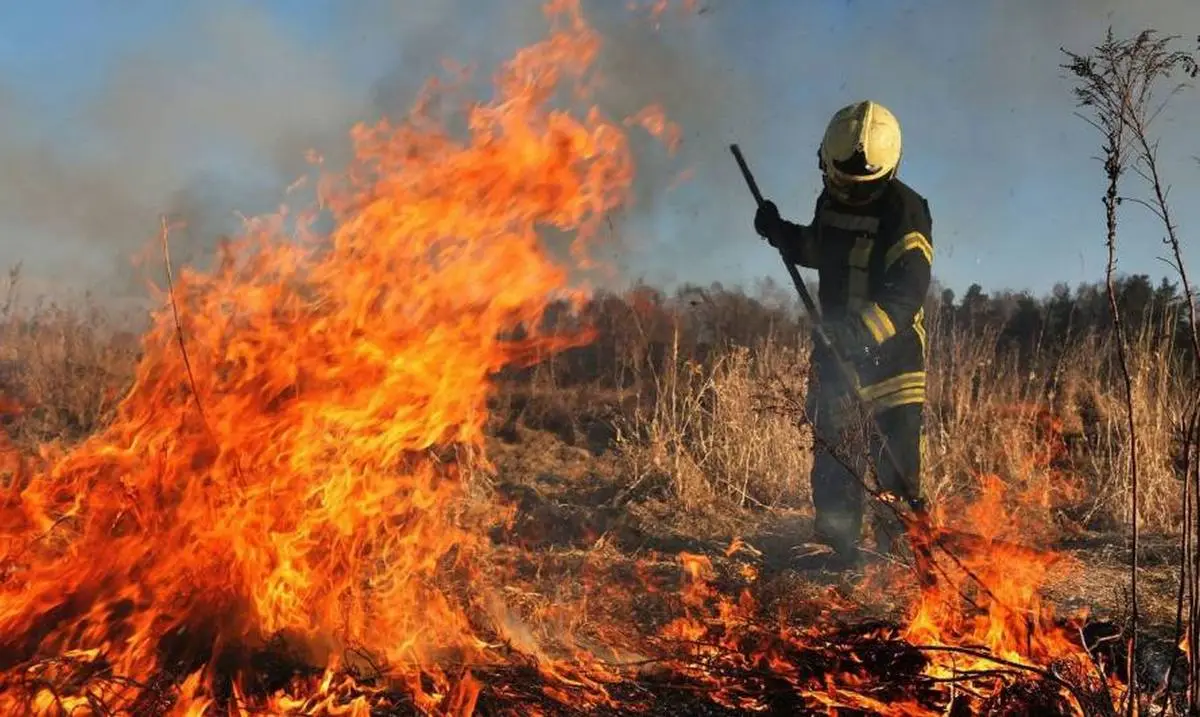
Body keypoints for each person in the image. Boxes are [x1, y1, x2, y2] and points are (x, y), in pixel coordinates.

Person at [752, 100, 933, 567]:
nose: (849, 195)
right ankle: (838, 561)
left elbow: (906, 295)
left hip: (892, 364)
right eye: (842, 184)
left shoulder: (907, 212)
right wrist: (782, 234)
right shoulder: (829, 203)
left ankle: (902, 569)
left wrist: (855, 336)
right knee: (834, 465)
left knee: (895, 474)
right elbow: (822, 249)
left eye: (861, 188)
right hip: (835, 362)